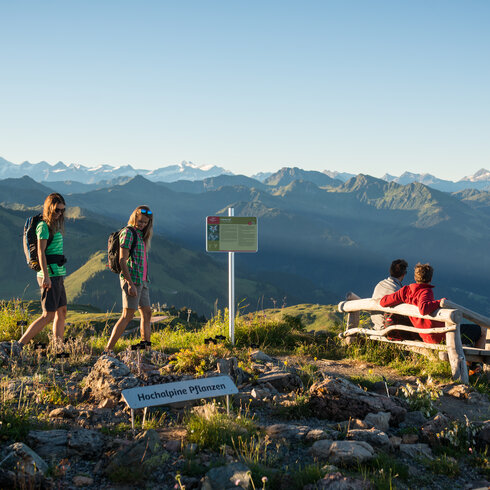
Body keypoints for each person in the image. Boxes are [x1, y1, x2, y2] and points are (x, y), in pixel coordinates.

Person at [379, 263, 485, 373]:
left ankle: (472, 368)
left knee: (462, 342)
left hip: (424, 334)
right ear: (430, 278)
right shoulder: (425, 291)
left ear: (415, 277)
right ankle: (476, 365)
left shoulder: (405, 290)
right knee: (483, 330)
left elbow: (383, 301)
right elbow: (424, 308)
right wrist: (441, 302)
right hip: (439, 335)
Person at [20, 193, 67, 347]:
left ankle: (57, 347)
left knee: (62, 312)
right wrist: (46, 277)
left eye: (62, 210)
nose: (60, 213)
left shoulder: (55, 224)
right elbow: (41, 252)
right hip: (49, 275)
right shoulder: (43, 226)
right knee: (48, 315)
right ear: (49, 208)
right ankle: (19, 345)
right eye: (57, 210)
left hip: (58, 274)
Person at [105, 205, 153, 352]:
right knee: (127, 315)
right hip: (132, 280)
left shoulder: (140, 234)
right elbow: (121, 260)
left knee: (147, 312)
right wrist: (129, 283)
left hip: (142, 280)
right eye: (140, 221)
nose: (142, 224)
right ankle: (108, 349)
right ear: (134, 218)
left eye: (145, 222)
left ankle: (145, 346)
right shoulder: (128, 233)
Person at [371, 259, 408, 330]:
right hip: (388, 328)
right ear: (403, 275)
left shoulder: (379, 284)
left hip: (376, 325)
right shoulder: (398, 291)